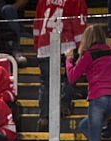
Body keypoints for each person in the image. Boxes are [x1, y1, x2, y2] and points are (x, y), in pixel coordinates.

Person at [33, 0, 86, 130]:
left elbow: (37, 23)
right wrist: (81, 47)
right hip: (66, 42)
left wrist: (37, 43)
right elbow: (79, 23)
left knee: (46, 82)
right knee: (70, 75)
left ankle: (44, 116)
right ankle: (63, 104)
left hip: (44, 43)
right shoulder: (77, 1)